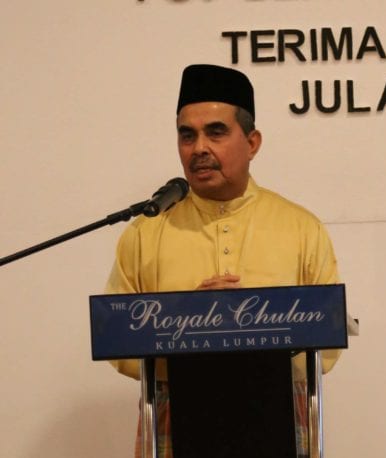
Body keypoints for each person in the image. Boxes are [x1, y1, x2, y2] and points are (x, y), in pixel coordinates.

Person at [106, 64, 342, 458]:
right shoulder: (146, 232)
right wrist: (191, 321)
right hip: (174, 415)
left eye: (215, 132)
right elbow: (118, 340)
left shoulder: (301, 227)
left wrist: (251, 329)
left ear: (252, 142)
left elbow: (327, 346)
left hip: (278, 415)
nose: (199, 148)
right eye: (187, 135)